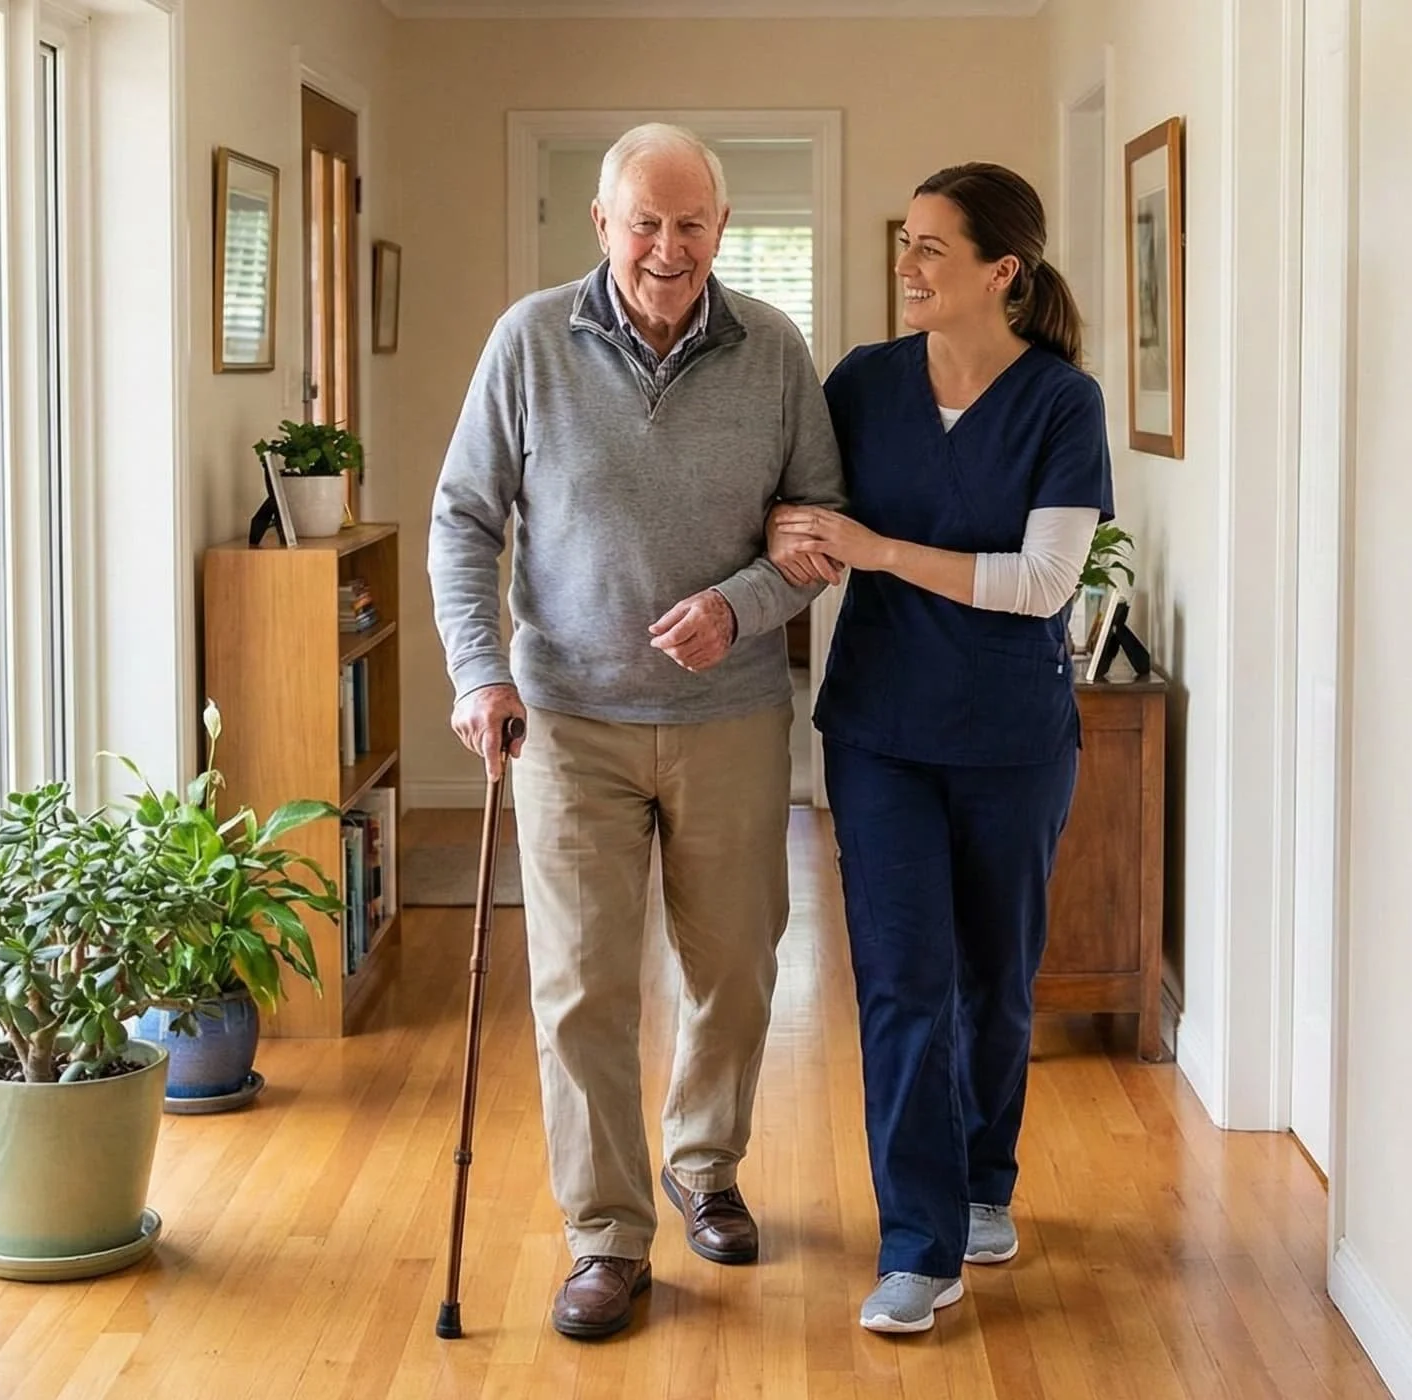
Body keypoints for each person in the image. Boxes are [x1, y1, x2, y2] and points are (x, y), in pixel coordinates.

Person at [429, 123, 844, 1341]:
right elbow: (464, 518)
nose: (668, 247)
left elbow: (815, 531)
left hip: (728, 717)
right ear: (603, 225)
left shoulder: (773, 351)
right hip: (567, 719)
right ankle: (605, 1232)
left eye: (691, 223)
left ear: (722, 227)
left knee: (736, 965)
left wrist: (739, 605)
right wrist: (474, 669)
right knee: (580, 989)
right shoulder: (528, 342)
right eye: (645, 223)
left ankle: (703, 1165)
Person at [767, 163, 1114, 1335]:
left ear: (999, 273)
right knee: (902, 984)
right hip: (877, 736)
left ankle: (981, 1181)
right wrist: (807, 538)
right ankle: (917, 1244)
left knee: (992, 985)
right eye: (904, 243)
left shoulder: (1061, 403)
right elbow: (795, 507)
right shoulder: (861, 384)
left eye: (930, 248)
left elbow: (1043, 583)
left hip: (1012, 739)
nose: (906, 264)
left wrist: (877, 548)